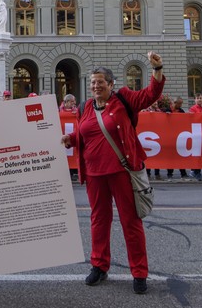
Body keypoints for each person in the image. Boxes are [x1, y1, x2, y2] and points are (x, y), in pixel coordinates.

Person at [60, 52, 165, 295]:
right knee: (99, 220)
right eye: (93, 82)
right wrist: (70, 139)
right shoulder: (86, 107)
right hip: (95, 173)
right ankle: (99, 265)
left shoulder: (124, 100)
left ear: (111, 84)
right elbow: (85, 134)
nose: (96, 86)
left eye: (100, 82)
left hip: (122, 171)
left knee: (131, 222)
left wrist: (157, 68)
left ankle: (139, 272)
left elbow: (151, 94)